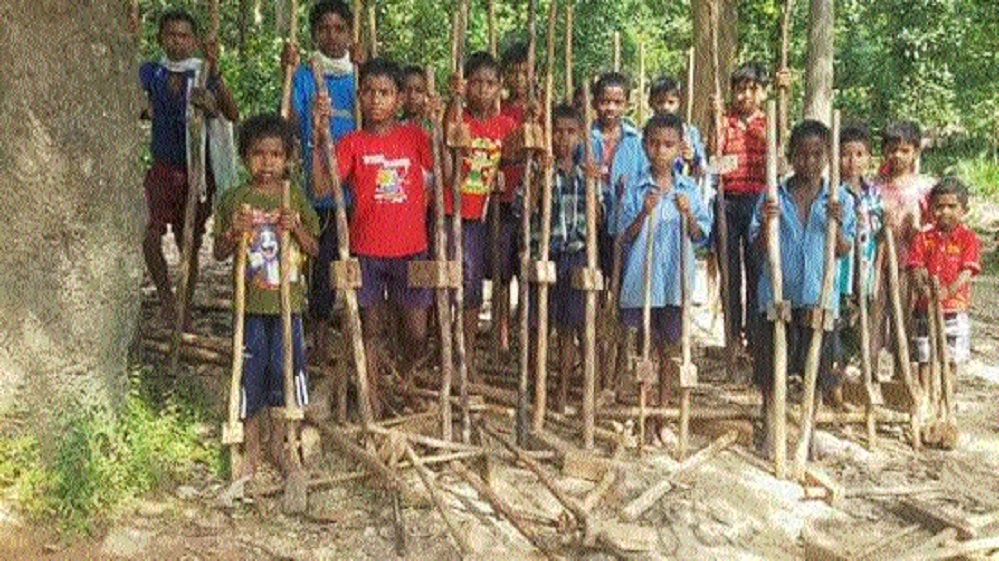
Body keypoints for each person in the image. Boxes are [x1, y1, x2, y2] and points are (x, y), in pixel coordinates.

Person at [213, 114, 319, 484]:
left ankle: (281, 443)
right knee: (250, 374)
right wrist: (231, 233)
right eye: (259, 154)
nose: (268, 162)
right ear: (244, 158)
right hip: (251, 307)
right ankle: (253, 446)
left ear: (288, 158)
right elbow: (219, 253)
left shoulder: (295, 198)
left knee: (285, 371)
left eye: (276, 154)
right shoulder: (235, 199)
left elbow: (314, 249)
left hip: (287, 306)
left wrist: (297, 229)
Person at [332, 58, 434, 418]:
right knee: (370, 328)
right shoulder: (351, 143)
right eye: (370, 93)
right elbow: (321, 184)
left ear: (398, 99)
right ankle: (371, 395)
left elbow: (448, 175)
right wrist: (317, 139)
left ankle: (404, 374)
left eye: (386, 93)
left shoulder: (416, 137)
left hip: (413, 251)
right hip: (365, 252)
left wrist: (439, 127)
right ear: (359, 97)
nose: (377, 100)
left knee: (417, 331)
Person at [750, 120, 856, 457]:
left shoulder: (839, 199)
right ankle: (771, 424)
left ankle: (808, 431)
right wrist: (768, 221)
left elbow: (843, 249)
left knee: (817, 368)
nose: (809, 162)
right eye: (802, 154)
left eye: (817, 155)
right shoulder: (773, 196)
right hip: (777, 296)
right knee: (771, 368)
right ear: (790, 156)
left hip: (818, 297)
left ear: (827, 158)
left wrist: (836, 225)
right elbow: (757, 249)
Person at [139, 8, 239, 326]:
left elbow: (232, 114)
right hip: (162, 167)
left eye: (184, 36)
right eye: (171, 35)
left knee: (188, 242)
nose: (178, 42)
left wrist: (211, 100)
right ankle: (167, 299)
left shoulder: (204, 71)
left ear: (194, 41)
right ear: (160, 38)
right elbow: (138, 101)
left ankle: (183, 305)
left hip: (196, 170)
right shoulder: (151, 72)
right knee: (148, 234)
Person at [618, 114, 712, 444]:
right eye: (654, 143)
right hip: (643, 279)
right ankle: (644, 410)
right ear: (645, 146)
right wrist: (643, 212)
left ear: (679, 149)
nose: (661, 151)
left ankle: (664, 412)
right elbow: (623, 235)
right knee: (645, 345)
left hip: (674, 281)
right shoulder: (635, 185)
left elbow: (701, 236)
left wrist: (687, 214)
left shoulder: (687, 188)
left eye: (668, 144)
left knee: (671, 346)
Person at [286, 0, 358, 365]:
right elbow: (292, 122)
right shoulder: (303, 74)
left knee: (353, 267)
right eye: (324, 29)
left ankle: (354, 339)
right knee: (320, 264)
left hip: (356, 190)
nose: (332, 36)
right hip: (319, 190)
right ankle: (317, 337)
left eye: (339, 29)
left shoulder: (359, 75)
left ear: (350, 33)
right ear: (314, 33)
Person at [444, 51, 519, 378]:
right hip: (455, 211)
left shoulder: (506, 125)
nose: (483, 91)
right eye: (476, 83)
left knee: (479, 284)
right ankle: (453, 353)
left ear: (499, 87)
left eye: (490, 84)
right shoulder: (458, 116)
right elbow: (446, 140)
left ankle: (469, 354)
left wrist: (506, 173)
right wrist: (453, 99)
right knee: (458, 284)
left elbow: (515, 160)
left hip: (487, 213)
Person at [522, 103, 602, 413]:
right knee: (538, 324)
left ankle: (564, 388)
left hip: (575, 255)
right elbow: (525, 209)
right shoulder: (539, 170)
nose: (563, 138)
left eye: (570, 132)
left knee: (570, 326)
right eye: (557, 131)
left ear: (581, 135)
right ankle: (536, 384)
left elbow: (596, 218)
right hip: (546, 255)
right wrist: (539, 179)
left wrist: (595, 187)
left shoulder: (586, 175)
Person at [907, 178, 980, 414]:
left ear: (964, 210)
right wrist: (923, 287)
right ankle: (925, 401)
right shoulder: (923, 237)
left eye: (952, 207)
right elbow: (916, 266)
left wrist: (949, 290)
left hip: (954, 309)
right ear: (930, 208)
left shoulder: (968, 239)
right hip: (924, 307)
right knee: (925, 357)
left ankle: (947, 400)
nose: (944, 212)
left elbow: (967, 271)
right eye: (939, 206)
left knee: (950, 359)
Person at [714, 62, 768, 360]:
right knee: (729, 272)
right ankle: (732, 337)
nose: (745, 95)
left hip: (757, 202)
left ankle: (755, 337)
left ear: (760, 92)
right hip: (728, 201)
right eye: (740, 89)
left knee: (756, 270)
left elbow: (777, 156)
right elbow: (713, 162)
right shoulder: (725, 121)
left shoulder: (767, 122)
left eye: (751, 89)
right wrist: (717, 128)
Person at [490, 41, 533, 352]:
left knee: (527, 270)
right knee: (502, 271)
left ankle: (526, 334)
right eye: (513, 72)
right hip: (502, 200)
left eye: (524, 72)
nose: (519, 78)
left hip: (532, 201)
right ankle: (501, 333)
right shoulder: (498, 110)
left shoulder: (541, 108)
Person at [837, 124, 884, 391]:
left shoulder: (874, 194)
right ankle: (835, 374)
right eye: (846, 154)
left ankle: (858, 375)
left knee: (860, 322)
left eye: (859, 154)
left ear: (868, 158)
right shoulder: (832, 190)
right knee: (838, 321)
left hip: (864, 271)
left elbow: (879, 238)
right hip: (839, 273)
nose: (852, 161)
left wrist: (877, 271)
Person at [590, 72, 649, 274]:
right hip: (592, 214)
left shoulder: (635, 140)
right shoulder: (586, 138)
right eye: (605, 102)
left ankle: (613, 306)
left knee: (619, 272)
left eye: (617, 102)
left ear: (626, 105)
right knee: (594, 269)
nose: (611, 108)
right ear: (594, 103)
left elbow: (643, 178)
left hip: (624, 216)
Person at [647, 75, 705, 177]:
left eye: (671, 102)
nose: (665, 107)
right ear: (651, 103)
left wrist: (691, 160)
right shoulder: (643, 134)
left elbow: (702, 170)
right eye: (660, 102)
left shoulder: (689, 133)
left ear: (678, 103)